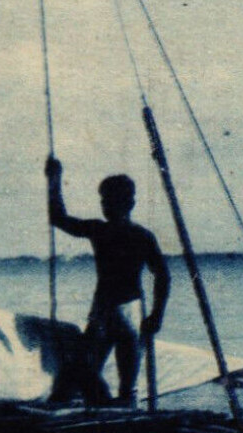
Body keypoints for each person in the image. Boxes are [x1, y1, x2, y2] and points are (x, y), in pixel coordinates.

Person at [46, 157, 170, 406]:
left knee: (84, 369)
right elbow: (163, 276)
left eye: (108, 201)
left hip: (106, 312)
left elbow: (58, 218)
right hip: (131, 311)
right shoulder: (141, 235)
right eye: (104, 201)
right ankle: (117, 409)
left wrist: (54, 181)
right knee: (126, 382)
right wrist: (156, 315)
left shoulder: (100, 230)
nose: (105, 206)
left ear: (128, 203)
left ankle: (104, 407)